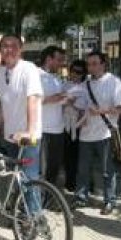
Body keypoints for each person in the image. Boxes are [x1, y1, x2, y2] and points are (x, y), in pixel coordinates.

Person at [0, 34, 43, 216]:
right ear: (0, 51)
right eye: (5, 46)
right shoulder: (0, 73)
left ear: (21, 50)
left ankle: (34, 219)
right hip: (10, 136)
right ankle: (22, 210)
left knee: (29, 178)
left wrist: (30, 131)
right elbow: (5, 104)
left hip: (29, 137)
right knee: (16, 176)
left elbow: (33, 100)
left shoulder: (29, 69)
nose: (9, 49)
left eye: (14, 46)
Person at [72, 51, 121, 215]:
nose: (91, 67)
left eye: (95, 63)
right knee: (83, 169)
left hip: (105, 133)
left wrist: (103, 111)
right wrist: (78, 111)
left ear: (104, 64)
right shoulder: (86, 84)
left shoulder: (114, 82)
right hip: (86, 134)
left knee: (106, 170)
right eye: (89, 64)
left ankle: (110, 200)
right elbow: (80, 106)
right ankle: (81, 197)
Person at [39, 45, 66, 186]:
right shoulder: (36, 76)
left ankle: (50, 198)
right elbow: (32, 101)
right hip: (43, 130)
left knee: (54, 167)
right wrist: (54, 98)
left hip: (58, 129)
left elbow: (59, 100)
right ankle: (39, 198)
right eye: (59, 60)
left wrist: (66, 100)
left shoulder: (57, 78)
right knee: (42, 167)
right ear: (49, 59)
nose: (62, 63)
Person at [62, 60, 87, 191]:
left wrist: (71, 103)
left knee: (81, 157)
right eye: (73, 71)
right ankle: (69, 183)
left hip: (81, 126)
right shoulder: (64, 85)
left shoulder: (86, 87)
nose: (76, 74)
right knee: (67, 156)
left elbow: (85, 108)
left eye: (79, 72)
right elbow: (61, 102)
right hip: (66, 125)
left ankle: (85, 185)